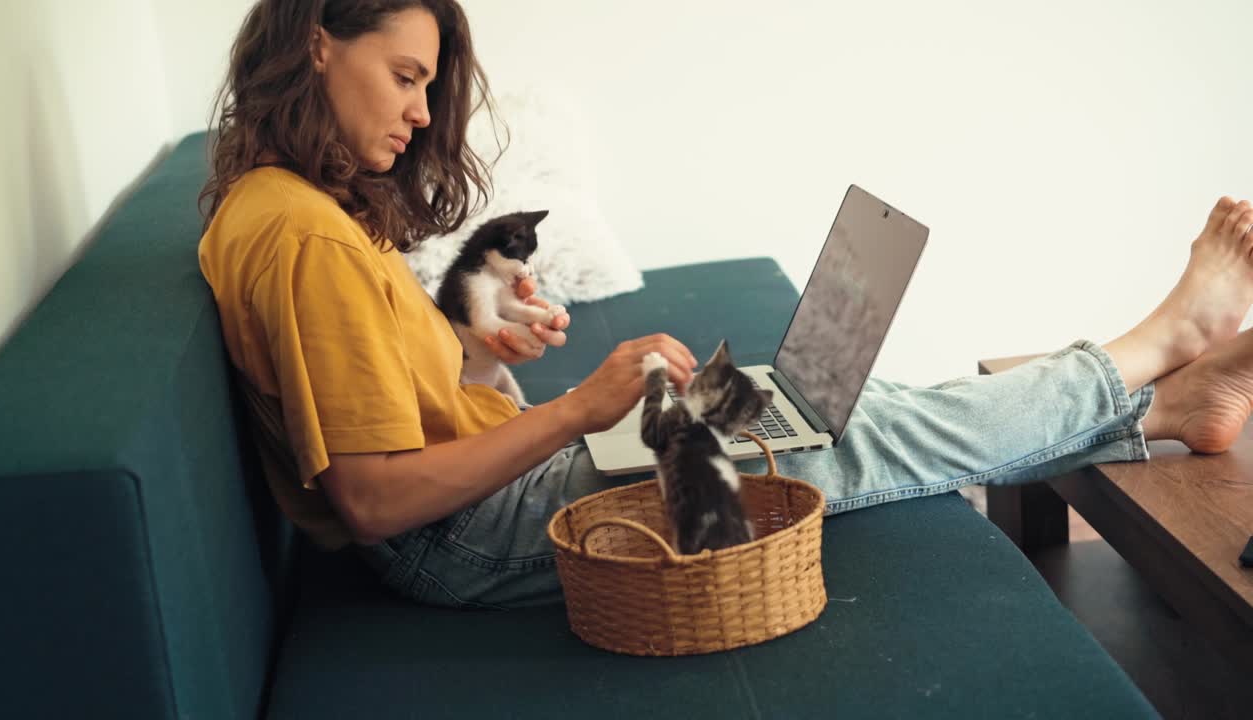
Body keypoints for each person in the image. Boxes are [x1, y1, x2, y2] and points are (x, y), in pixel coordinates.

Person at [198, 0, 1253, 609]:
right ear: (317, 40)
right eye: (406, 76)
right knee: (860, 433)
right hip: (461, 542)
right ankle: (1160, 340)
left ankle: (1158, 410)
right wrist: (577, 410)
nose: (421, 111)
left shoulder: (278, 207)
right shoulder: (299, 238)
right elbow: (374, 501)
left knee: (830, 402)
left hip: (469, 514)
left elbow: (380, 405)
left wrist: (474, 347)